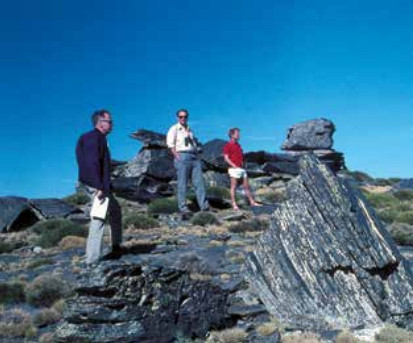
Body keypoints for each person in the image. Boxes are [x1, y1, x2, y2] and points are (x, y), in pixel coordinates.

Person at [75, 109, 122, 265]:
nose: (112, 125)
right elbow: (91, 162)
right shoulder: (94, 138)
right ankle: (92, 260)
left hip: (99, 183)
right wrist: (98, 186)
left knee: (115, 210)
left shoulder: (91, 138)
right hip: (97, 185)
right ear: (100, 123)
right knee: (98, 218)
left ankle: (116, 245)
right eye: (109, 122)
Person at [166, 109, 209, 217]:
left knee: (199, 183)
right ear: (177, 118)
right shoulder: (174, 129)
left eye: (185, 117)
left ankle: (204, 207)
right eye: (181, 117)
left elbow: (193, 143)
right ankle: (183, 208)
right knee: (182, 184)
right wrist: (178, 157)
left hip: (194, 157)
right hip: (182, 156)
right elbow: (170, 145)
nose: (183, 118)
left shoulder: (190, 130)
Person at [223, 128, 261, 210]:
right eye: (237, 134)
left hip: (241, 168)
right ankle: (234, 204)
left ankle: (252, 202)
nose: (239, 135)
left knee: (246, 186)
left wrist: (243, 165)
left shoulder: (238, 145)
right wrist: (233, 165)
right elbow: (226, 158)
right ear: (232, 135)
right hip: (234, 169)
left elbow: (241, 156)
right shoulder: (228, 145)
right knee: (234, 186)